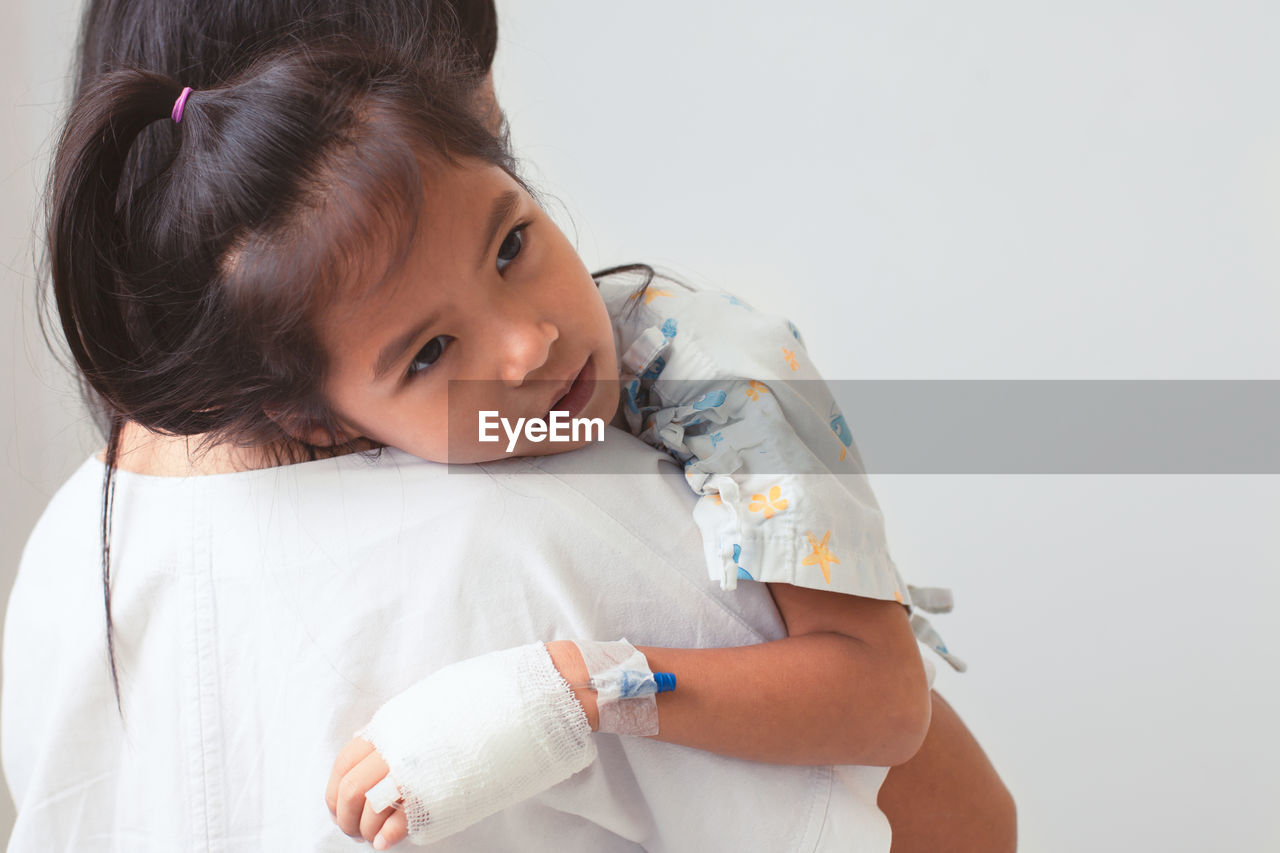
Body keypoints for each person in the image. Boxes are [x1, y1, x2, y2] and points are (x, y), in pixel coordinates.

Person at [3, 2, 1015, 851]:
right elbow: (962, 824)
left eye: (510, 236)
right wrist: (582, 684)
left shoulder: (61, 555)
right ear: (302, 406)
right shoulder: (539, 531)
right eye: (427, 351)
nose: (529, 346)